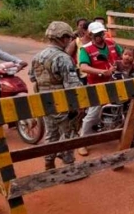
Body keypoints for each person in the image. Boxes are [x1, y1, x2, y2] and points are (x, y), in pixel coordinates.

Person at [29, 22, 82, 170]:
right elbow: (72, 86)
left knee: (51, 133)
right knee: (69, 134)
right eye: (68, 37)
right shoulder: (63, 58)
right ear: (63, 38)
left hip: (45, 102)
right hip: (63, 103)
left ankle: (49, 163)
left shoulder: (37, 57)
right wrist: (78, 106)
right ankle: (69, 167)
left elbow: (33, 78)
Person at [77, 21, 123, 156]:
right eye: (96, 34)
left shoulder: (112, 44)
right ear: (90, 35)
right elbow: (83, 67)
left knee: (125, 105)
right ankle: (82, 142)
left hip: (115, 82)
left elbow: (123, 56)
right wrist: (101, 72)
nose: (99, 36)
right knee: (93, 113)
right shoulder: (86, 49)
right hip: (97, 85)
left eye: (101, 33)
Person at [66, 20, 91, 84]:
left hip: (96, 72)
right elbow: (66, 56)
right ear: (85, 30)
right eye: (80, 25)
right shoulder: (76, 41)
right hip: (83, 74)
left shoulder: (97, 41)